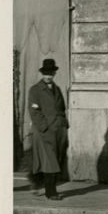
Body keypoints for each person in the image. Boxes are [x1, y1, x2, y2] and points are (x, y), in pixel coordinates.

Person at [28, 58, 68, 201]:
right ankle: (51, 193)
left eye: (50, 73)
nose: (48, 76)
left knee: (55, 160)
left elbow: (61, 109)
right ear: (42, 74)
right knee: (50, 162)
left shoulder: (56, 89)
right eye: (46, 73)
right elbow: (34, 112)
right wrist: (44, 128)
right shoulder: (35, 90)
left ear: (54, 73)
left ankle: (41, 186)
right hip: (44, 132)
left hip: (58, 130)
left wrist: (64, 125)